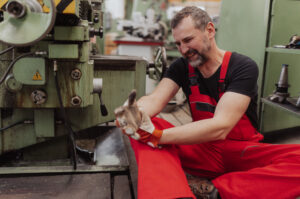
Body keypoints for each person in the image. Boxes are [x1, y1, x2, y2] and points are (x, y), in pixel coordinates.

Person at [115, 6, 300, 199]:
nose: (183, 50)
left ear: (209, 30)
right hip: (201, 148)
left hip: (241, 151)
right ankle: (172, 193)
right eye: (178, 44)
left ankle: (216, 192)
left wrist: (158, 137)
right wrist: (135, 113)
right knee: (143, 130)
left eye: (188, 40)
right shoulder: (181, 67)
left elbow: (221, 126)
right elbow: (155, 99)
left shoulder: (242, 67)